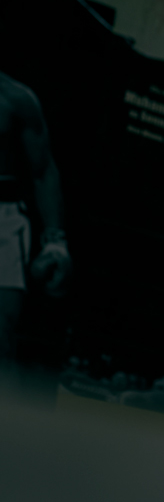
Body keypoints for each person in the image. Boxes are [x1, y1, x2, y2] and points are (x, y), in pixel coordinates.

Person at [0, 69, 70, 379]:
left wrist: (56, 242)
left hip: (4, 218)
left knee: (2, 330)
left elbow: (43, 171)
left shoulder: (16, 99)